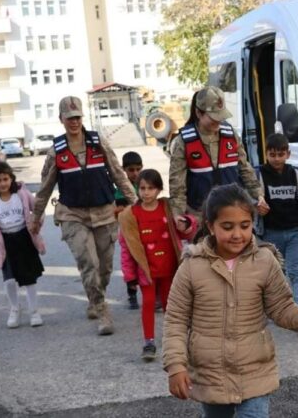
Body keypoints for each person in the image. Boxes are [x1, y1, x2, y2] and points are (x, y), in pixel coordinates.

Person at [163, 183, 298, 417]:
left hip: (255, 371)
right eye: (227, 226)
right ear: (210, 226)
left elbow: (281, 308)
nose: (237, 234)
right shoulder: (191, 267)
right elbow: (176, 320)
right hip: (210, 374)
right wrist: (175, 365)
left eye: (244, 225)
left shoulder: (264, 261)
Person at [30, 96, 136, 336]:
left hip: (104, 212)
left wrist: (136, 204)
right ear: (61, 119)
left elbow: (118, 174)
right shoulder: (56, 152)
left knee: (104, 267)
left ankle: (95, 297)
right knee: (88, 263)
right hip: (72, 214)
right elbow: (45, 187)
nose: (74, 122)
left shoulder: (98, 144)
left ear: (82, 117)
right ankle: (103, 310)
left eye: (77, 117)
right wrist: (36, 217)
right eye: (69, 118)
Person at [119, 169, 197, 362]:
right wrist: (129, 276)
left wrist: (186, 223)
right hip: (146, 271)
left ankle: (175, 340)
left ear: (159, 189)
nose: (146, 193)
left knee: (172, 306)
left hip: (170, 269)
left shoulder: (168, 207)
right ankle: (149, 342)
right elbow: (126, 247)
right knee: (147, 304)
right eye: (142, 188)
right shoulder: (130, 215)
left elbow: (187, 229)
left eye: (151, 188)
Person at [168, 87, 268, 219]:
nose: (219, 121)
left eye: (221, 116)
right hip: (200, 214)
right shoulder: (182, 142)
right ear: (198, 113)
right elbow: (177, 184)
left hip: (232, 210)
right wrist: (178, 213)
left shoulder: (231, 135)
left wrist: (258, 195)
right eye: (214, 117)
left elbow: (244, 168)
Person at [0, 162, 46, 328]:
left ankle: (34, 312)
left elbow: (38, 210)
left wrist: (36, 225)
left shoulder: (22, 193)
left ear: (11, 178)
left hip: (24, 238)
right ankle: (14, 309)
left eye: (5, 179)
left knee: (29, 278)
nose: (2, 183)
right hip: (4, 242)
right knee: (9, 280)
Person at [257, 133, 298, 306]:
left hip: (294, 233)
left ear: (288, 154)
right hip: (271, 233)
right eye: (272, 155)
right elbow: (256, 201)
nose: (277, 159)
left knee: (297, 271)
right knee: (275, 273)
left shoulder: (295, 174)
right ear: (266, 154)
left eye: (281, 154)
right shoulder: (260, 175)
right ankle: (278, 309)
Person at [115, 151, 144, 309]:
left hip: (145, 231)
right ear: (124, 170)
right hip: (127, 233)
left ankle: (152, 293)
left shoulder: (145, 185)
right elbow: (120, 209)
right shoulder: (121, 189)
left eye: (138, 169)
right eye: (131, 170)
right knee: (129, 263)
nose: (135, 173)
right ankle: (132, 294)